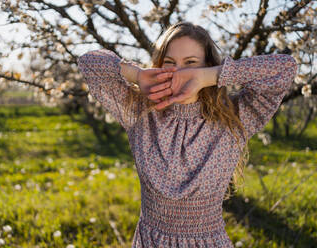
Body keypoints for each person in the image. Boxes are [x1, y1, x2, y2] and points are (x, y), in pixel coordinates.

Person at [78, 21, 298, 248]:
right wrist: (137, 75)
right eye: (170, 63)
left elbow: (285, 67)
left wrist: (209, 77)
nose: (179, 73)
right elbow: (89, 62)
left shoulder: (235, 117)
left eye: (191, 63)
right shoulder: (140, 113)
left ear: (207, 66)